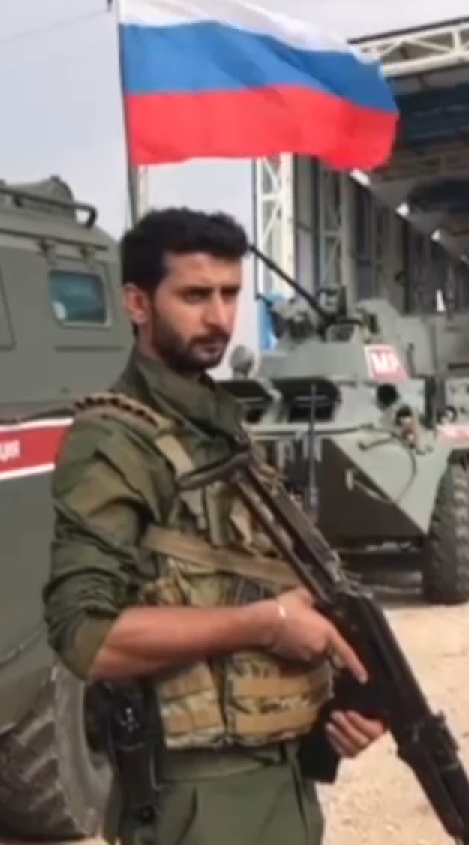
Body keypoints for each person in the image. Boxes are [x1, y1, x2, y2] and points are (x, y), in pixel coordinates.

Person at [42, 207, 388, 845]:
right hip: (195, 801)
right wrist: (266, 623)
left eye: (230, 294)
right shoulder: (114, 442)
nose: (220, 318)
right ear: (138, 303)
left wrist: (343, 705)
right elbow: (86, 637)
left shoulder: (220, 427)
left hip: (282, 784)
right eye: (195, 295)